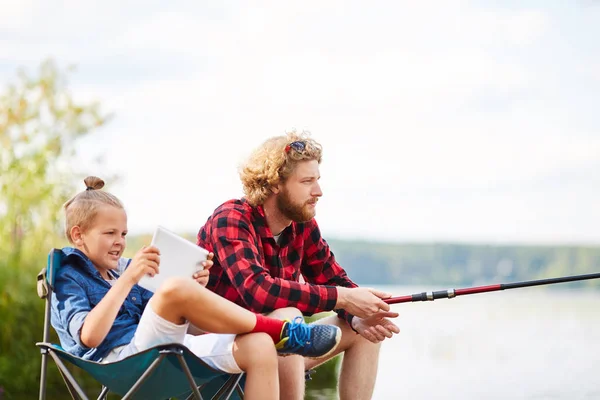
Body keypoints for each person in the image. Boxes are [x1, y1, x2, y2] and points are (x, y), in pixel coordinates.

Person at [51, 176, 342, 400]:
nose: (120, 241)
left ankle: (271, 334)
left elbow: (171, 324)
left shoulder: (125, 268)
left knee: (259, 346)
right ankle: (279, 330)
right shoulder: (70, 275)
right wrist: (130, 279)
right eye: (110, 233)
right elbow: (89, 337)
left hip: (165, 350)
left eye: (124, 233)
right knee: (174, 289)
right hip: (123, 362)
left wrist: (194, 294)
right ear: (78, 235)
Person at [197, 131, 401, 399]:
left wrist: (356, 313)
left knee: (363, 328)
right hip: (223, 349)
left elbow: (333, 279)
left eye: (317, 180)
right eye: (307, 182)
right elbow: (259, 292)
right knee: (286, 316)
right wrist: (344, 298)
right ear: (274, 185)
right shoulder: (232, 218)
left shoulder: (302, 225)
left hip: (278, 351)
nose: (318, 191)